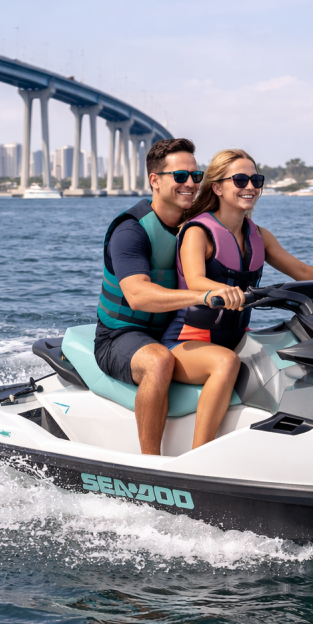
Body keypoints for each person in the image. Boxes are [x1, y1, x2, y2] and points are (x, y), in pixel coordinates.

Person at [161, 148, 313, 449]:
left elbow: (301, 270)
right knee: (225, 363)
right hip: (186, 341)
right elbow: (195, 280)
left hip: (237, 337)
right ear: (218, 187)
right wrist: (220, 291)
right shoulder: (198, 231)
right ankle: (199, 456)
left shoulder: (259, 236)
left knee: (305, 357)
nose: (250, 187)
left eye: (255, 179)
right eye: (240, 180)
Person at [94, 138, 222, 455]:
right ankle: (151, 464)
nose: (191, 183)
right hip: (120, 336)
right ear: (155, 180)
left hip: (172, 332)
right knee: (159, 362)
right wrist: (203, 295)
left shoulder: (198, 226)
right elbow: (137, 295)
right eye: (180, 176)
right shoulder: (131, 231)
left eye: (196, 175)